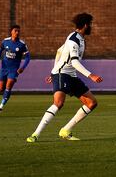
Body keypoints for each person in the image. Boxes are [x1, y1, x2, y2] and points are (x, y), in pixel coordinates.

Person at [26, 13, 104, 142]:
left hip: (70, 75)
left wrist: (53, 71)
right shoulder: (74, 39)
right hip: (63, 73)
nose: (91, 26)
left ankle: (65, 130)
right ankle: (35, 134)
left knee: (92, 103)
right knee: (58, 103)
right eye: (90, 24)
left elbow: (59, 51)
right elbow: (74, 62)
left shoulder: (79, 38)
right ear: (85, 25)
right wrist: (91, 75)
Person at [0, 24, 30, 113]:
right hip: (4, 68)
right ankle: (11, 79)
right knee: (1, 88)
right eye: (15, 31)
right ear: (11, 32)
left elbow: (28, 57)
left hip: (14, 69)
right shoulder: (5, 41)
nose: (17, 33)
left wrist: (23, 68)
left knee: (9, 86)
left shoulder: (22, 44)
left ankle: (1, 105)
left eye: (18, 31)